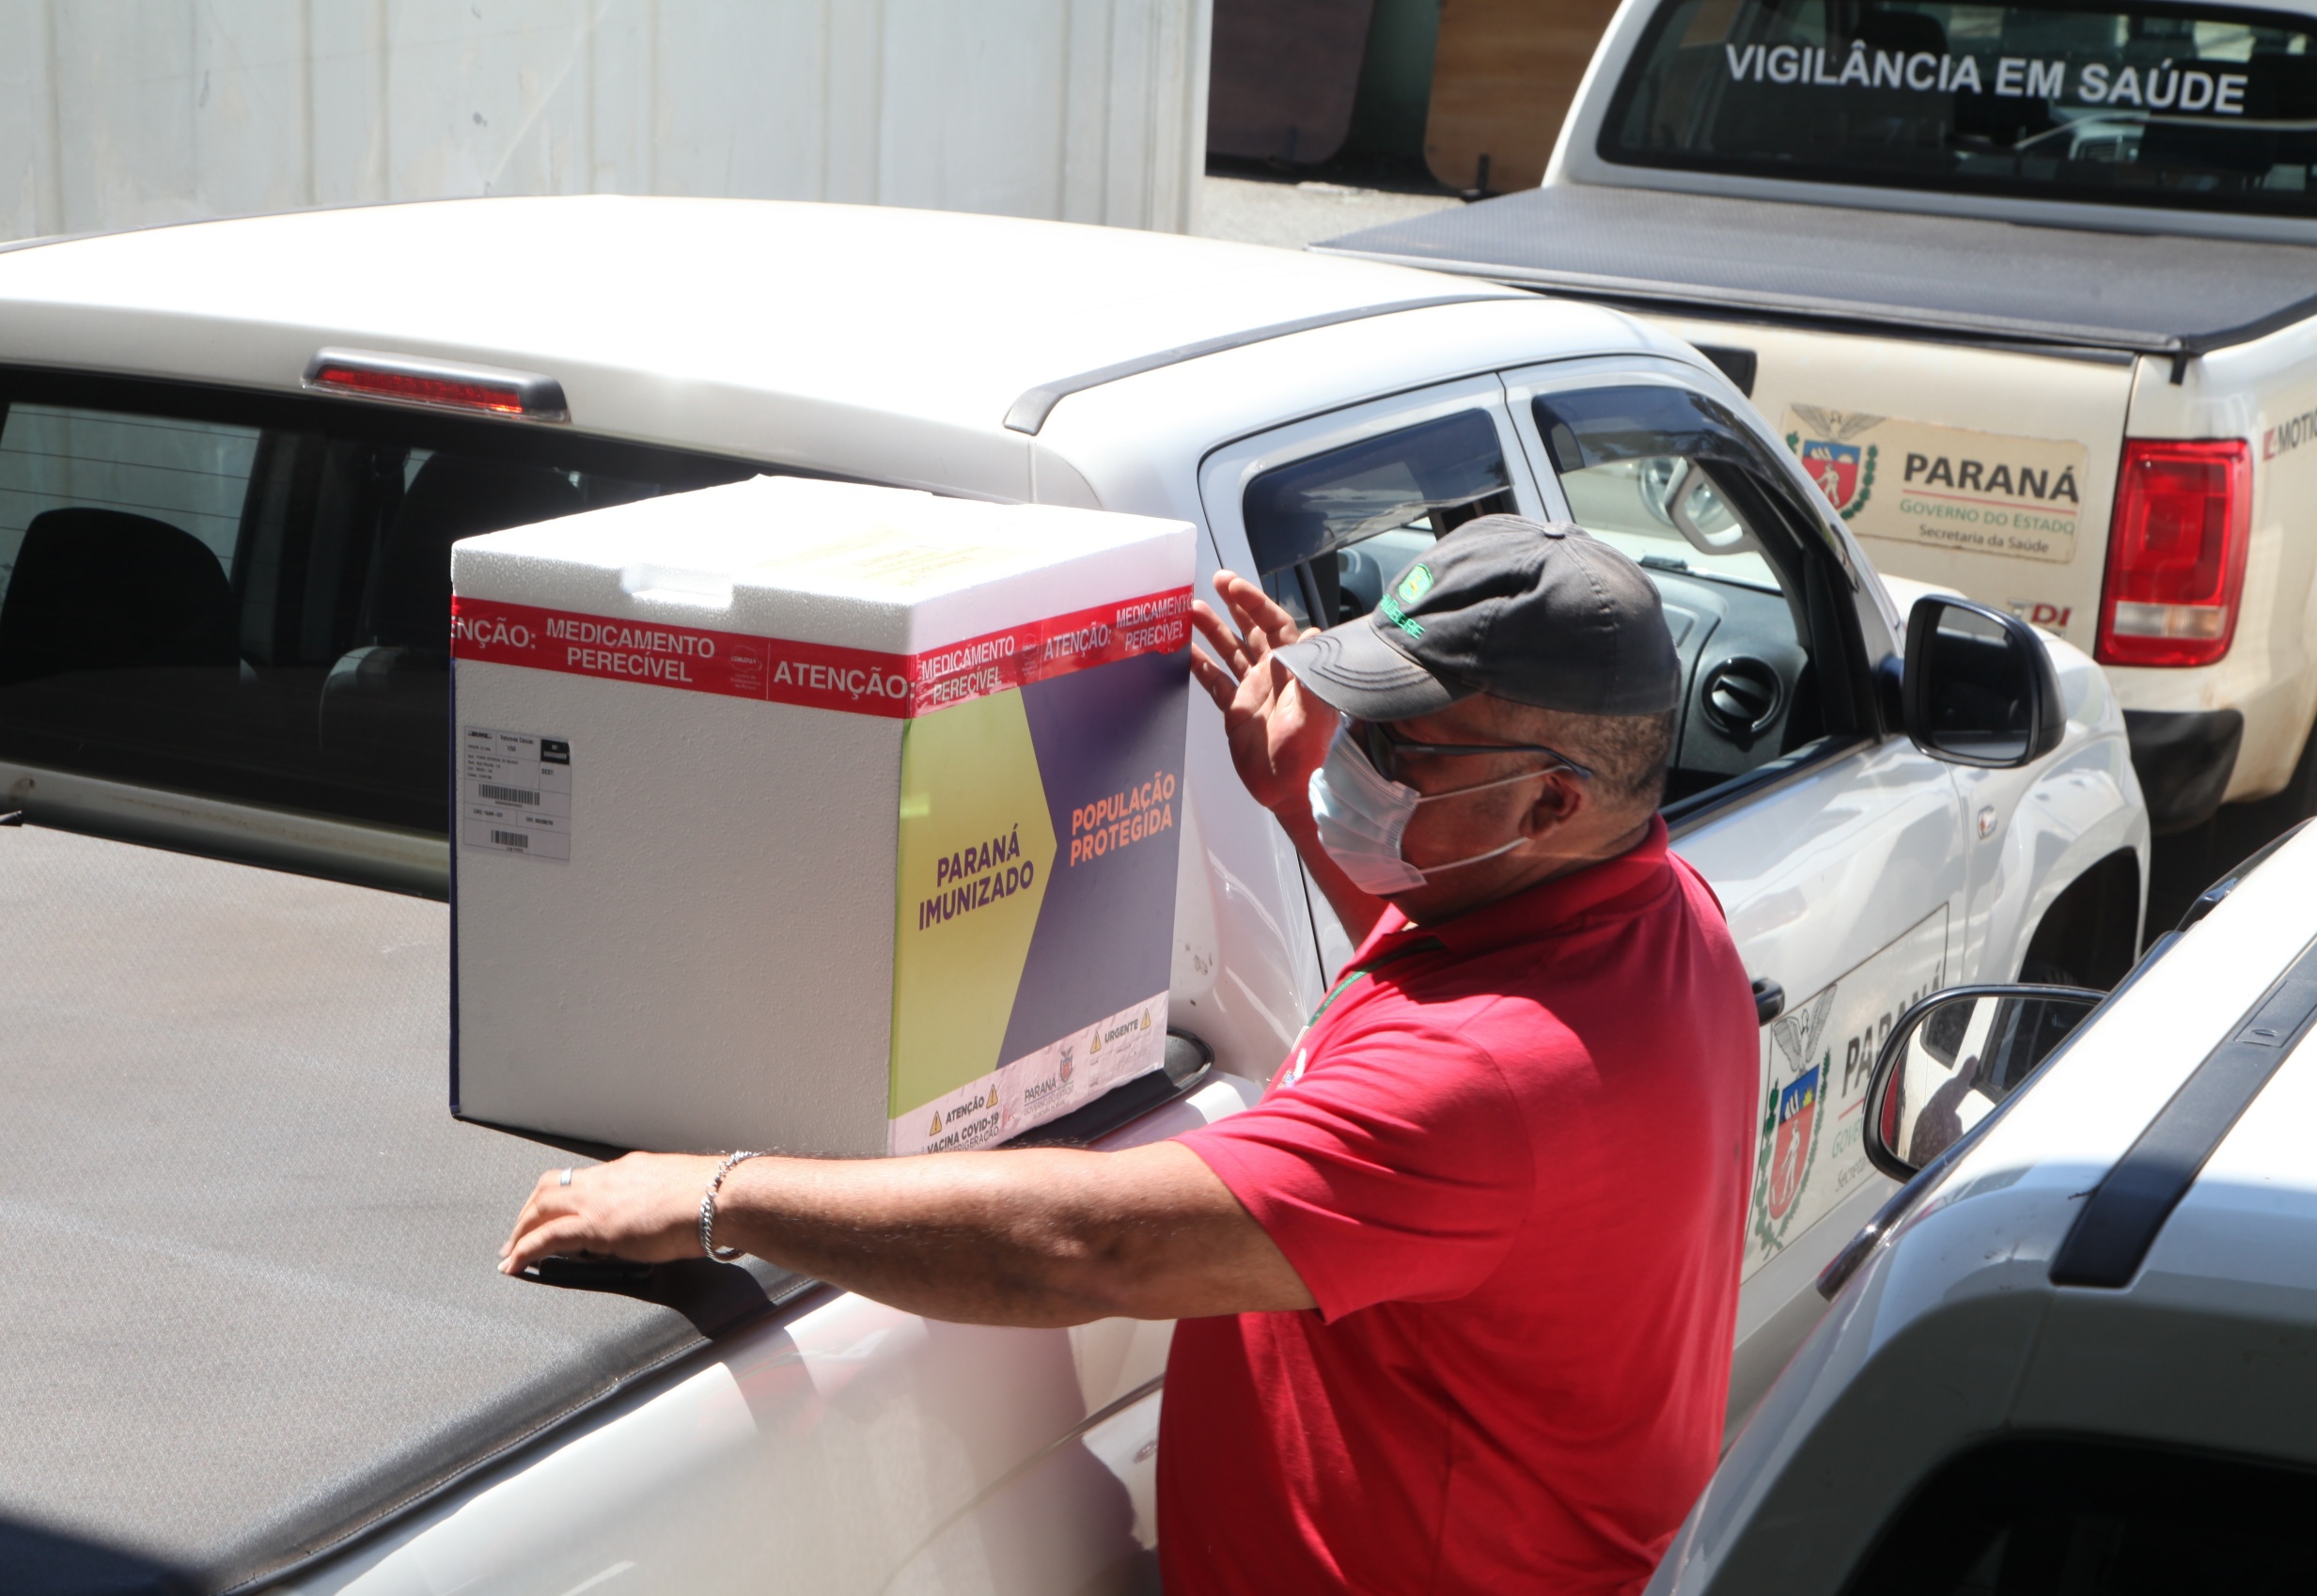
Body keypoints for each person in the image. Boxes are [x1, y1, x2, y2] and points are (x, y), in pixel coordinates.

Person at [500, 515, 1761, 1595]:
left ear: (1551, 803)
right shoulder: (1654, 912)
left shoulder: (1491, 1085)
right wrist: (1297, 805)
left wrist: (722, 1196)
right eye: (1360, 708)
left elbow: (1091, 1243)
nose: (1346, 751)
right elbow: (1449, 972)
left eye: (1400, 745)